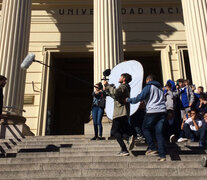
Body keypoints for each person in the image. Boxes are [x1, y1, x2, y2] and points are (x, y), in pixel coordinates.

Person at [127, 75, 167, 161]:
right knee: (159, 133)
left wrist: (129, 100)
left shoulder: (149, 87)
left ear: (148, 80)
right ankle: (162, 155)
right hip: (162, 111)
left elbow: (139, 97)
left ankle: (152, 148)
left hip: (152, 111)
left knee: (145, 128)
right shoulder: (160, 88)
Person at [104, 73, 135, 156]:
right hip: (122, 112)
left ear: (124, 79)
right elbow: (115, 96)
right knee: (120, 131)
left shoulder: (123, 87)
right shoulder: (125, 87)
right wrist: (107, 89)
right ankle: (128, 140)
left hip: (120, 112)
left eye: (121, 77)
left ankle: (125, 147)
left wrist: (108, 86)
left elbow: (115, 93)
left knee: (114, 131)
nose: (119, 78)